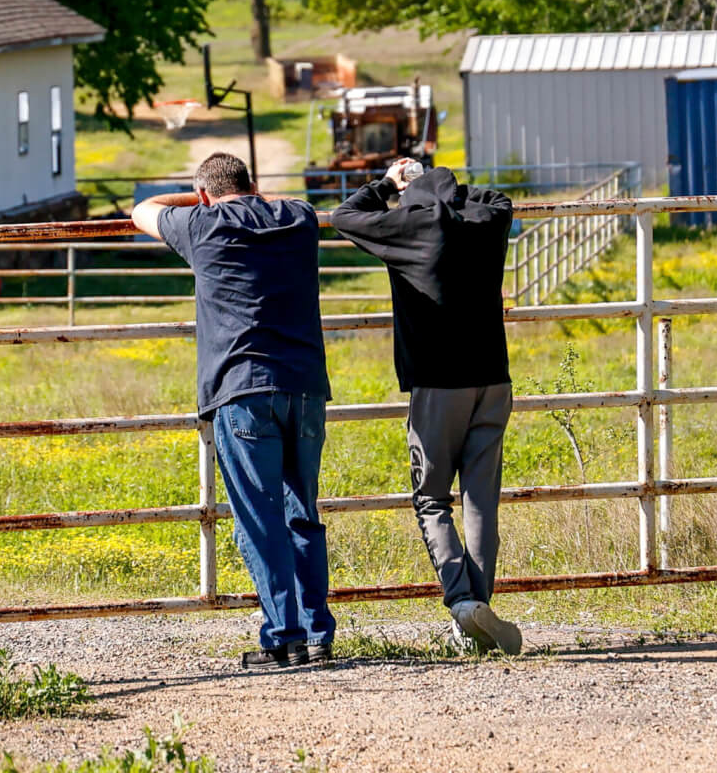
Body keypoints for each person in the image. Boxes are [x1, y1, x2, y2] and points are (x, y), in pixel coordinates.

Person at [131, 152, 334, 670]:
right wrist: (254, 196)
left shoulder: (201, 223)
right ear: (255, 185)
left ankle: (283, 637)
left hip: (242, 389)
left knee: (259, 518)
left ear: (203, 195)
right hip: (305, 387)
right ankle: (316, 634)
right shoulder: (299, 217)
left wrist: (196, 196)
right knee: (301, 513)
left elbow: (142, 209)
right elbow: (282, 202)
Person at [330, 160, 523, 656]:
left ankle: (462, 603)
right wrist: (448, 186)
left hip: (438, 384)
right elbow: (499, 199)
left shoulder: (406, 223)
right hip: (492, 377)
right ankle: (477, 615)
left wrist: (391, 184)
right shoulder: (485, 219)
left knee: (432, 499)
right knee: (481, 501)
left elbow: (343, 216)